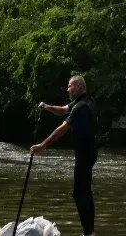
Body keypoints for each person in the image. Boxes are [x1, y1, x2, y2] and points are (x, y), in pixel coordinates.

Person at [31, 75, 97, 236]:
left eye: (70, 86)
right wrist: (46, 107)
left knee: (79, 193)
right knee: (84, 192)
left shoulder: (81, 106)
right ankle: (90, 232)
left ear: (79, 88)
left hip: (85, 154)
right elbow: (62, 110)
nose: (67, 89)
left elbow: (62, 129)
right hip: (88, 152)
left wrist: (42, 145)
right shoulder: (86, 101)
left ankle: (88, 233)